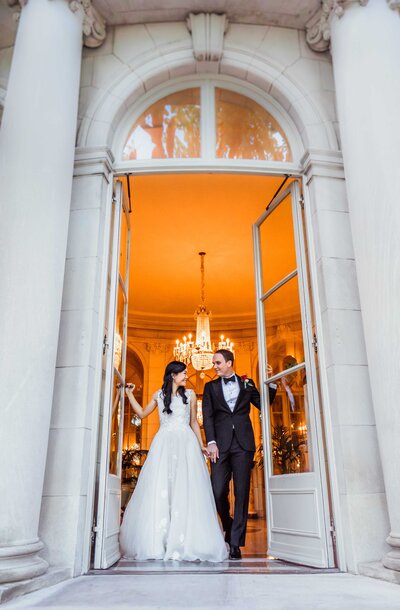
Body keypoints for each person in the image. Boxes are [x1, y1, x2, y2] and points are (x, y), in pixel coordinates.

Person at [119, 361, 228, 562]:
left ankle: (185, 540)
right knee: (163, 487)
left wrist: (201, 444)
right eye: (184, 373)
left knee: (186, 489)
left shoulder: (191, 395)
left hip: (186, 444)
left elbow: (194, 421)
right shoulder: (158, 396)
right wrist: (129, 395)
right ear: (173, 375)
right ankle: (160, 541)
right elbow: (142, 414)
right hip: (164, 444)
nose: (187, 376)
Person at [202, 349, 276, 560]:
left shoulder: (247, 383)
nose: (214, 366)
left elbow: (263, 405)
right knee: (217, 491)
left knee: (242, 493)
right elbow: (207, 416)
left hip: (243, 445)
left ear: (229, 363)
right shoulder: (210, 387)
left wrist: (270, 383)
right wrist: (212, 442)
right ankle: (228, 524)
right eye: (214, 363)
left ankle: (235, 543)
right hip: (220, 446)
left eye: (217, 363)